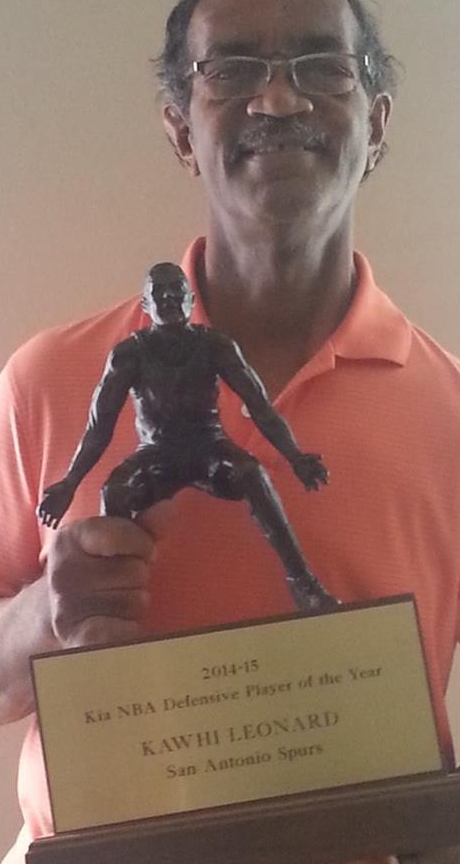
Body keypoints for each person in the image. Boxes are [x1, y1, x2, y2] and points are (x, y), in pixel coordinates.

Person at [0, 0, 460, 864]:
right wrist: (45, 614)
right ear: (180, 128)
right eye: (231, 69)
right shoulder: (48, 377)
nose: (279, 102)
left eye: (323, 67)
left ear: (377, 122)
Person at [36, 261, 336, 612]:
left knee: (252, 473)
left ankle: (303, 583)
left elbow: (260, 406)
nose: (168, 299)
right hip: (157, 455)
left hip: (209, 448)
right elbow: (99, 425)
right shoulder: (129, 354)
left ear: (191, 300)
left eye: (176, 291)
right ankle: (114, 604)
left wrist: (295, 457)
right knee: (114, 490)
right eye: (158, 293)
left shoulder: (215, 346)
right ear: (145, 305)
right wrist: (70, 484)